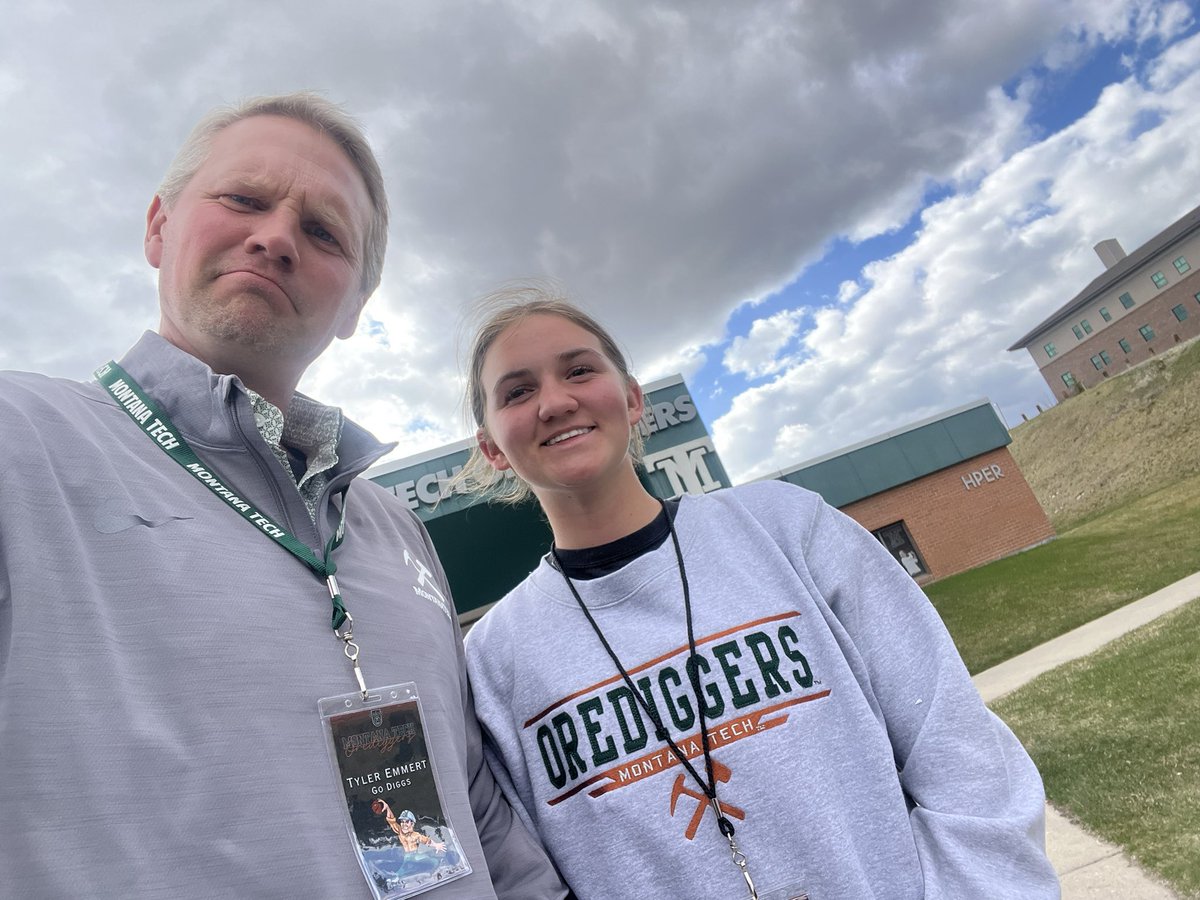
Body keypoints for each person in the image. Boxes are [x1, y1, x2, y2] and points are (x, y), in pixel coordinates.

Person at [0, 94, 566, 899]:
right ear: (158, 227)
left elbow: (471, 795)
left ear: (354, 310)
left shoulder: (394, 526)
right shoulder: (20, 438)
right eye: (243, 199)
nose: (274, 238)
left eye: (323, 232)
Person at [458, 286, 1060, 899]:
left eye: (579, 370)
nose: (555, 402)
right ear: (491, 447)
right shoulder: (493, 660)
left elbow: (962, 755)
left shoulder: (787, 529)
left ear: (633, 398)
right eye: (518, 391)